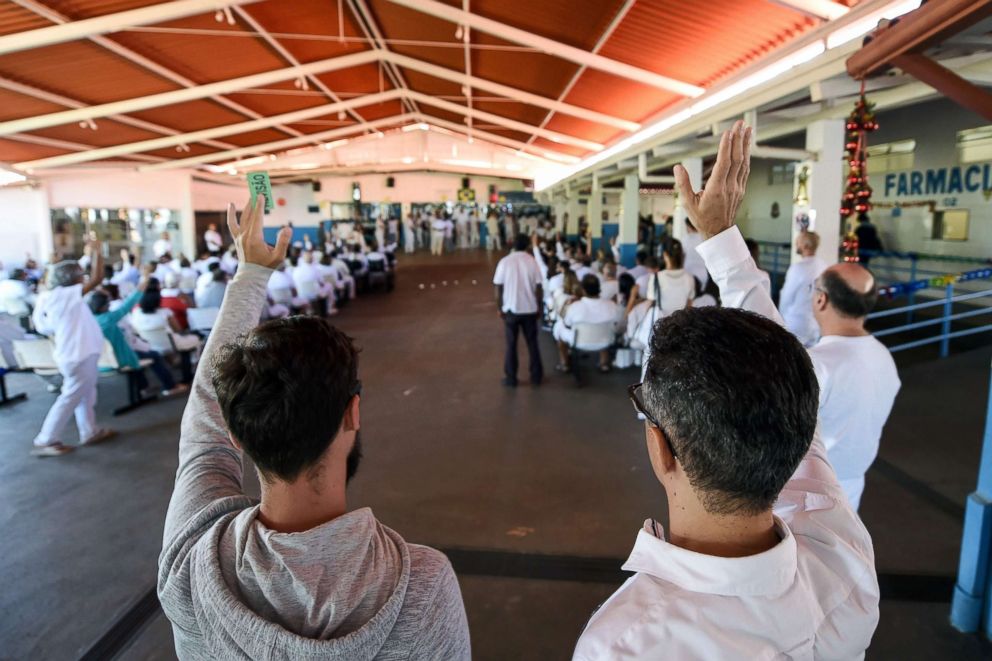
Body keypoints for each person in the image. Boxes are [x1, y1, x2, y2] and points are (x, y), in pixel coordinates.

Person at [574, 121, 879, 659]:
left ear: (660, 447)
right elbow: (784, 384)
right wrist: (721, 240)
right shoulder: (843, 560)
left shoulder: (622, 644)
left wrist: (719, 237)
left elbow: (789, 390)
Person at [158, 198, 470, 658]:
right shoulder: (421, 587)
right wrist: (253, 273)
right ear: (353, 413)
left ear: (238, 437)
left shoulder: (192, 561)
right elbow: (207, 424)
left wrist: (249, 275)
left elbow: (204, 431)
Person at [810, 265, 900, 510]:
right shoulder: (884, 357)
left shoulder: (816, 364)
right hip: (852, 484)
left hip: (809, 490)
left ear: (821, 299)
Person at [30, 242, 117, 456]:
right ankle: (46, 439)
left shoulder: (48, 297)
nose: (84, 277)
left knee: (85, 395)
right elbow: (97, 278)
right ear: (71, 278)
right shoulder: (65, 295)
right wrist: (97, 253)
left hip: (75, 353)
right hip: (78, 355)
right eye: (80, 274)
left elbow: (43, 326)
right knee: (70, 396)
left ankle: (89, 431)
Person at [89, 273, 188, 399]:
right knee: (154, 355)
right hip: (119, 359)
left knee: (138, 353)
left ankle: (144, 387)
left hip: (102, 361)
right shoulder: (109, 318)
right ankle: (170, 386)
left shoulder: (91, 320)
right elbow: (128, 304)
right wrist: (142, 285)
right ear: (104, 306)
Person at [493, 234, 544, 387]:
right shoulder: (532, 261)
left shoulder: (505, 262)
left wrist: (499, 307)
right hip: (529, 310)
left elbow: (497, 287)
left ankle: (511, 378)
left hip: (511, 310)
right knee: (532, 343)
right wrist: (539, 307)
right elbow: (539, 287)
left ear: (513, 245)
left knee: (511, 344)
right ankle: (536, 377)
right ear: (527, 245)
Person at [553, 275, 622, 373]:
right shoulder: (611, 305)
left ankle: (564, 363)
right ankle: (604, 363)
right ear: (599, 288)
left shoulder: (575, 306)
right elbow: (617, 322)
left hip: (580, 342)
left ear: (583, 290)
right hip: (606, 341)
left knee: (559, 327)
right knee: (606, 327)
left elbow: (567, 324)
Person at [779, 231, 828, 347]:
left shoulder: (797, 268)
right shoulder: (824, 266)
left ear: (806, 246)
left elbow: (786, 298)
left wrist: (780, 319)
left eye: (798, 242)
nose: (796, 244)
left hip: (796, 324)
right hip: (815, 324)